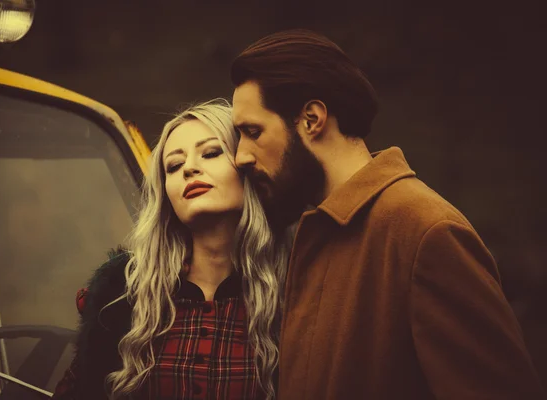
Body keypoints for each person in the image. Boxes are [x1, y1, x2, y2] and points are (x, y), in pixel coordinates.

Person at [230, 29, 545, 399]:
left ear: (312, 119)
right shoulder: (317, 229)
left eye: (253, 132)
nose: (241, 156)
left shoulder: (424, 230)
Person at [53, 99, 291, 400]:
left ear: (246, 164)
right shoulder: (122, 292)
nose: (190, 168)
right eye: (174, 166)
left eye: (211, 153)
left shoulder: (295, 286)